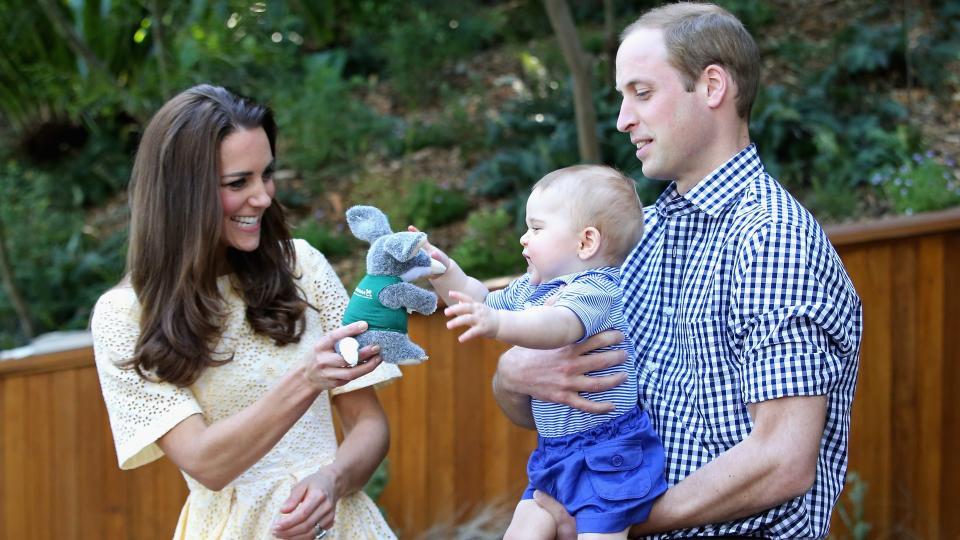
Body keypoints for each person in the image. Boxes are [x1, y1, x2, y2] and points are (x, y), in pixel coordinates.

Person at [491, 3, 863, 539]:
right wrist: (511, 378)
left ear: (712, 86)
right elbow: (564, 405)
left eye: (642, 93)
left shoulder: (770, 238)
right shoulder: (635, 237)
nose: (622, 119)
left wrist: (609, 517)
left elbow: (781, 459)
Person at [90, 84, 400, 540]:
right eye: (239, 183)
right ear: (182, 194)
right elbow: (205, 462)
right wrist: (306, 380)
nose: (263, 197)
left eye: (266, 174)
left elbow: (369, 424)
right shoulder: (123, 316)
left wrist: (332, 481)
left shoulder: (303, 266)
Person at [422, 165, 667, 539]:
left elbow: (558, 326)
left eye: (536, 229)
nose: (523, 239)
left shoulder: (597, 289)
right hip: (555, 452)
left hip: (609, 452)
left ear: (586, 242)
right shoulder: (532, 288)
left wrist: (498, 324)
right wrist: (443, 271)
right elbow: (480, 298)